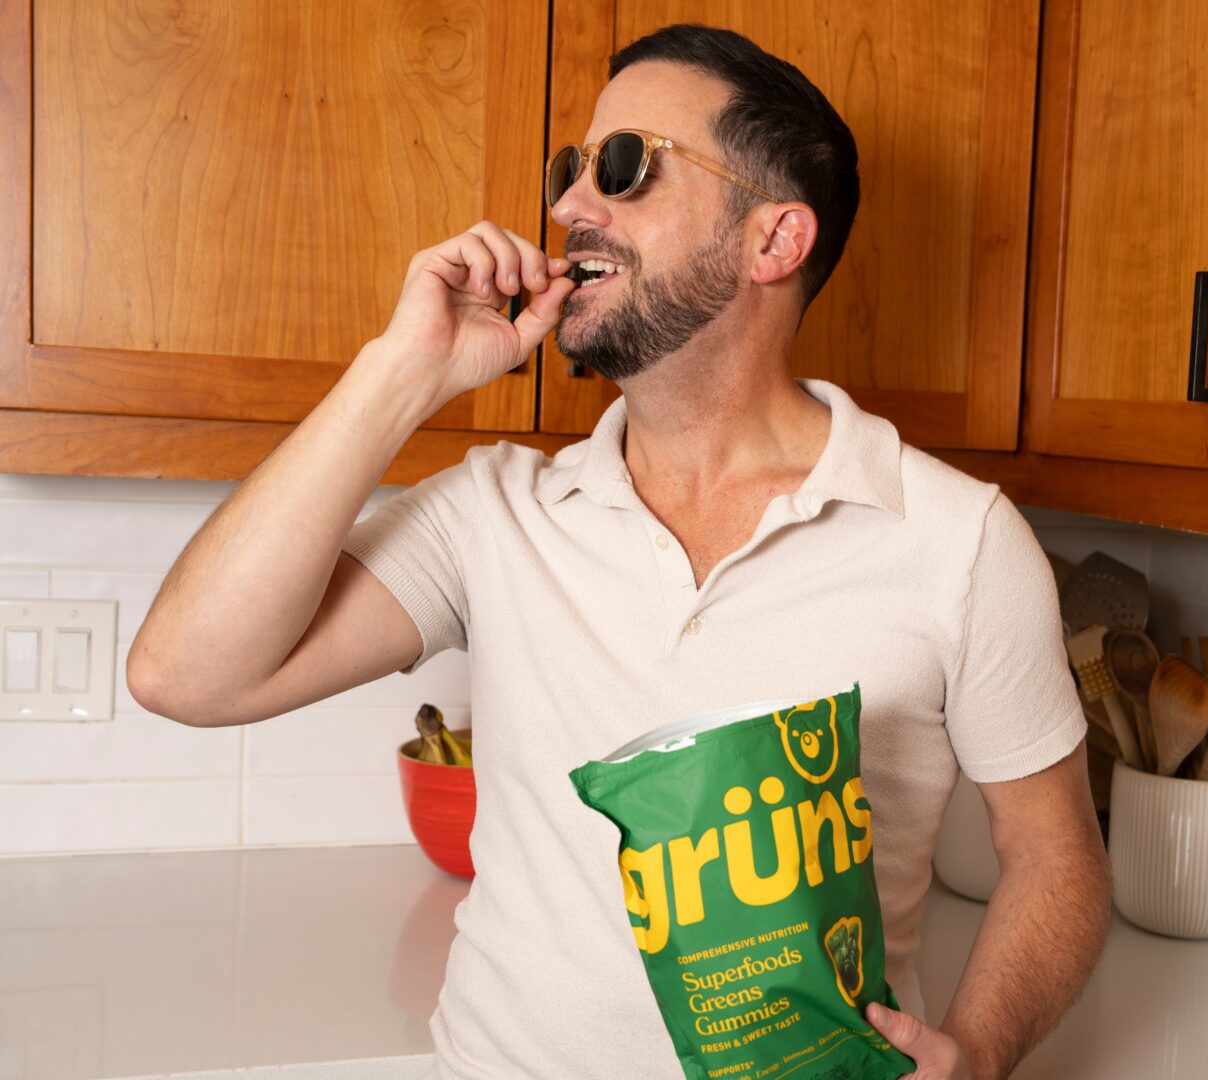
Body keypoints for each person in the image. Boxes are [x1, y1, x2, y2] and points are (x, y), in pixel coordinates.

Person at [128, 23, 1111, 1080]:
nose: (567, 207)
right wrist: (401, 369)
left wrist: (980, 1054)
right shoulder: (495, 515)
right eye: (573, 168)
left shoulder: (961, 543)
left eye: (627, 166)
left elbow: (1056, 859)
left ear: (773, 240)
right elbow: (185, 675)